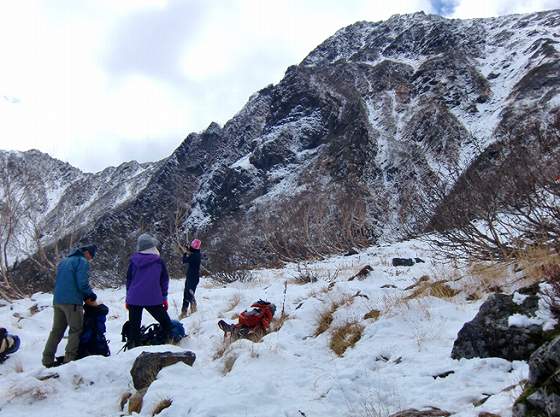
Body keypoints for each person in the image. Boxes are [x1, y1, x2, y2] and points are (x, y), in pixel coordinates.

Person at [42, 244, 98, 367]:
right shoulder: (82, 261)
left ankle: (47, 360)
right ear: (87, 253)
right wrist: (90, 294)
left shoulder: (64, 261)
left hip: (58, 300)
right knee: (75, 330)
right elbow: (81, 282)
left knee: (56, 331)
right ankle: (69, 361)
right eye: (91, 256)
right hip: (72, 302)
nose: (90, 259)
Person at [125, 233, 172, 348]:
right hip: (153, 298)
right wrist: (164, 298)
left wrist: (128, 299)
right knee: (166, 324)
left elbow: (129, 281)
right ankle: (167, 344)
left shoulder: (133, 261)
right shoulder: (158, 261)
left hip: (134, 298)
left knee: (134, 329)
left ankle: (133, 349)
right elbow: (164, 281)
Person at [180, 239, 202, 319]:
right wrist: (188, 249)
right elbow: (193, 251)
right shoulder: (196, 253)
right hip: (192, 277)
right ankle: (188, 310)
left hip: (192, 278)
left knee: (188, 295)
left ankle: (186, 311)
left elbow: (184, 260)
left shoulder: (194, 256)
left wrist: (185, 252)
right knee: (188, 294)